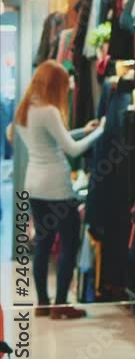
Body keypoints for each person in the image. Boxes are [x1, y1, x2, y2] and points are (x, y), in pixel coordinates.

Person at [11, 61, 103, 319]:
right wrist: (101, 132)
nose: (67, 89)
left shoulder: (25, 109)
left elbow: (53, 137)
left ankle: (42, 303)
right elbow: (71, 149)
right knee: (69, 244)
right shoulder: (49, 110)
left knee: (43, 244)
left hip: (34, 185)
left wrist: (83, 131)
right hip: (56, 187)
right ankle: (61, 305)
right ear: (53, 84)